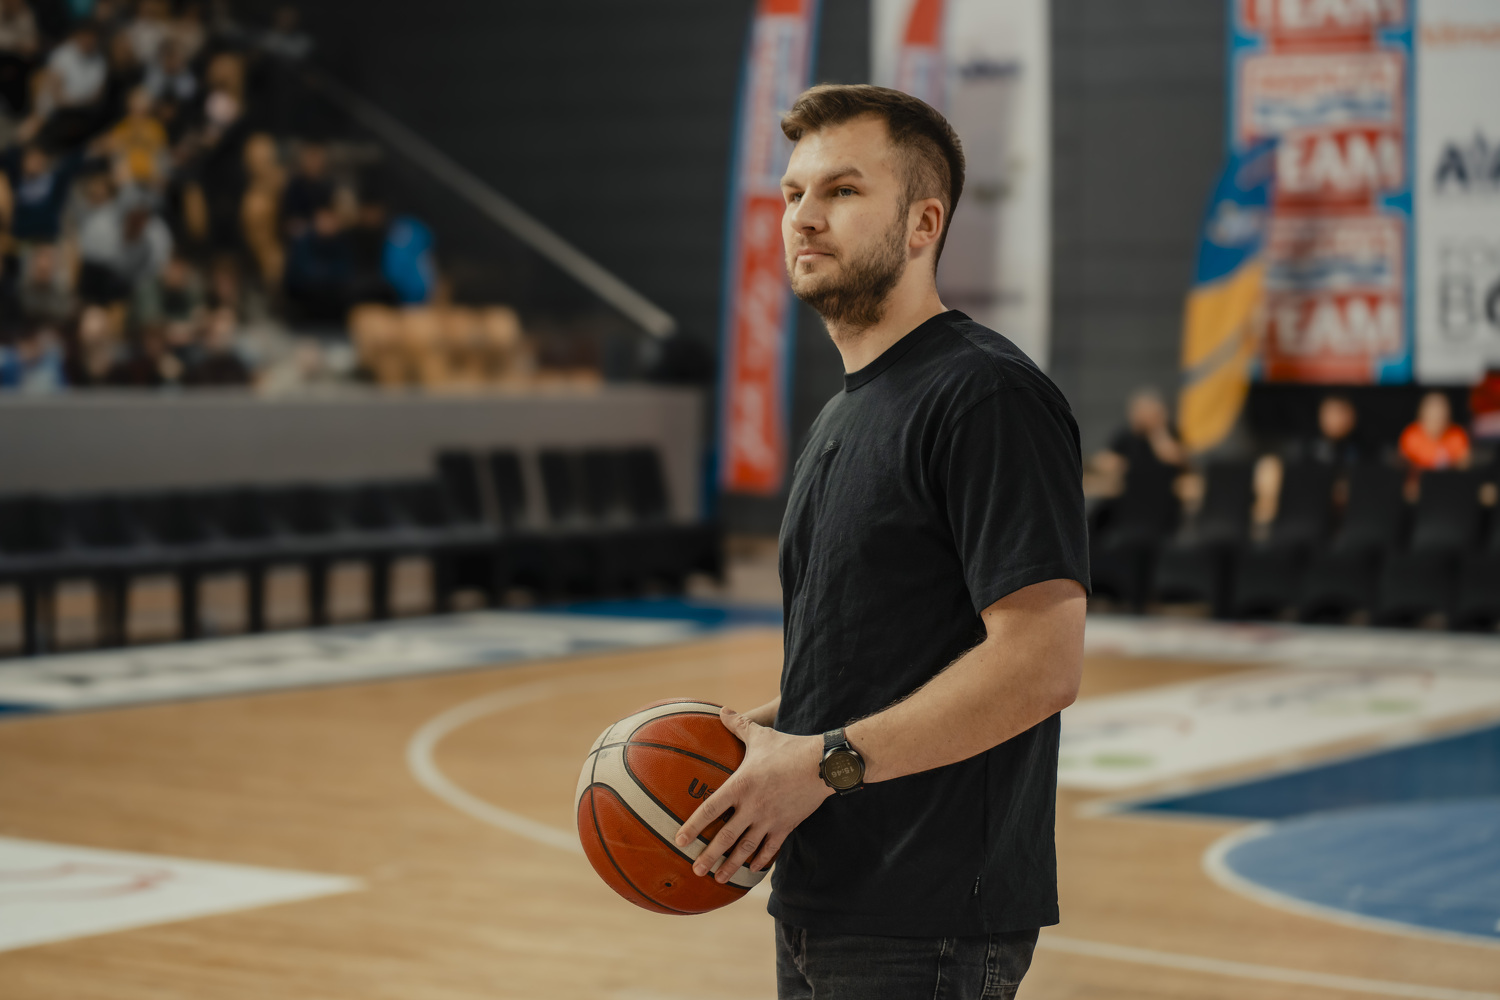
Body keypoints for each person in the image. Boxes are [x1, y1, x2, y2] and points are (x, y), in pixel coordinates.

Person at [672, 85, 1088, 999]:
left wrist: (823, 764)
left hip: (927, 918)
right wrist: (764, 737)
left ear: (923, 223)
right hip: (822, 893)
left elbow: (1041, 663)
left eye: (843, 191)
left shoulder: (986, 396)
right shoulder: (843, 413)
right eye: (793, 193)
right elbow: (880, 653)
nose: (804, 217)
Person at [1090, 387, 1184, 489]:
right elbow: (1105, 461)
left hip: (1163, 490)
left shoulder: (1169, 433)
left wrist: (1158, 430)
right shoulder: (1125, 437)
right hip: (1132, 491)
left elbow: (1175, 457)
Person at [1400, 391, 1470, 471]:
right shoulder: (1411, 436)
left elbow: (1465, 466)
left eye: (1441, 413)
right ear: (1421, 414)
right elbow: (1403, 466)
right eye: (1432, 413)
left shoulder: (1457, 435)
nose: (1437, 418)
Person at [1286, 393, 1361, 465]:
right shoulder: (1303, 449)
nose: (1336, 419)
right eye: (1331, 413)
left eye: (1341, 412)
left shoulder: (1356, 451)